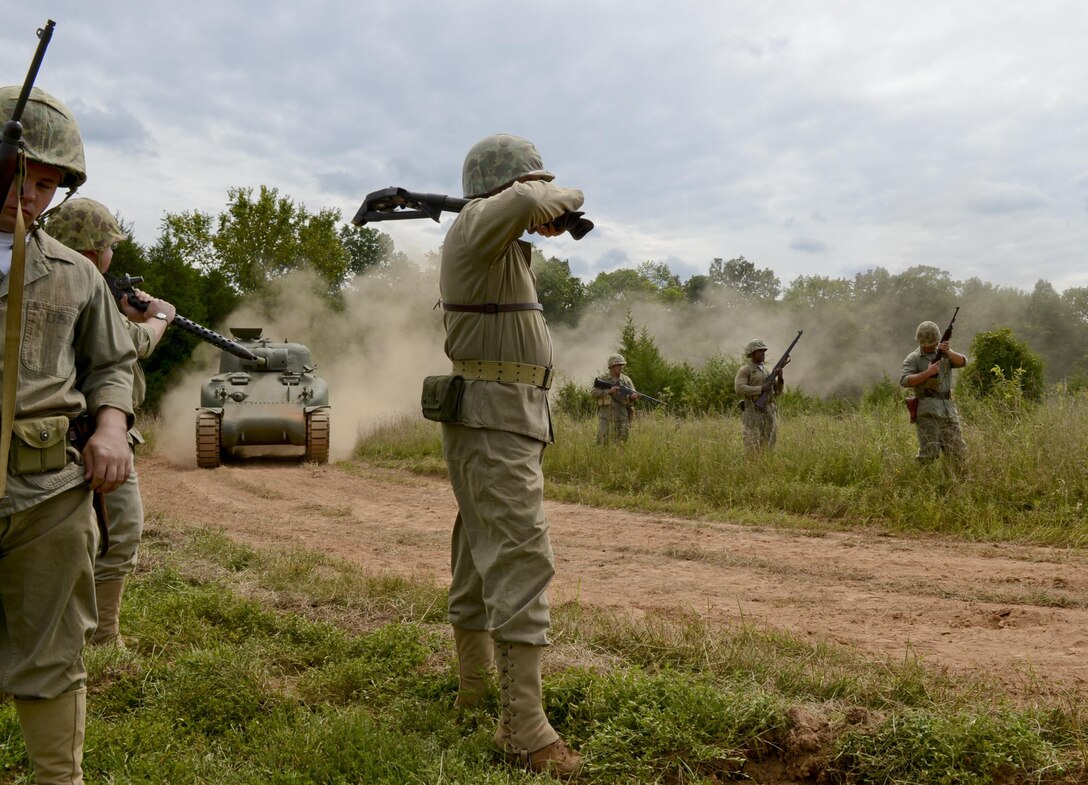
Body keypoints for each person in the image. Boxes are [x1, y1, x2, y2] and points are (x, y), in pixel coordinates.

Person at [0, 86, 136, 784]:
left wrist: (111, 423)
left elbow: (112, 361)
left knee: (53, 654)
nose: (32, 196)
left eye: (48, 183)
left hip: (48, 492)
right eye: (22, 174)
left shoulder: (77, 272)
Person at [438, 133, 582, 777]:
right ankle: (524, 729)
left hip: (505, 416)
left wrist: (539, 216)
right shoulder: (474, 224)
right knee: (522, 550)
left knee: (478, 548)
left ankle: (474, 689)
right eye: (534, 186)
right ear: (506, 187)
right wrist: (558, 198)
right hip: (495, 415)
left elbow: (523, 207)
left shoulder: (499, 245)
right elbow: (527, 199)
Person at [45, 198, 176, 647]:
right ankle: (102, 638)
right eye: (109, 246)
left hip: (62, 434)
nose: (111, 255)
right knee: (119, 534)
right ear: (95, 249)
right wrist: (160, 317)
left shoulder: (51, 279)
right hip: (93, 431)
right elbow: (132, 344)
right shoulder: (80, 285)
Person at [900, 320, 967, 464]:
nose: (930, 347)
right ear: (920, 342)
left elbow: (963, 362)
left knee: (958, 453)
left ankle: (958, 482)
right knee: (929, 454)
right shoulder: (914, 358)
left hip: (948, 410)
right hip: (927, 411)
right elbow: (904, 381)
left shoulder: (945, 354)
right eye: (926, 344)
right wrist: (927, 372)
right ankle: (923, 482)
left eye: (933, 344)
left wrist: (948, 352)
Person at [734, 338, 784, 450]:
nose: (763, 353)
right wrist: (760, 389)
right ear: (752, 353)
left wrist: (780, 378)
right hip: (753, 412)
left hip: (769, 411)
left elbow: (778, 392)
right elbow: (739, 388)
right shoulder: (745, 370)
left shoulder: (768, 369)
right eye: (760, 351)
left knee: (770, 444)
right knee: (752, 444)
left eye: (764, 351)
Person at [591, 353, 639, 445]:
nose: (621, 367)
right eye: (618, 365)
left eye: (622, 365)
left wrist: (633, 397)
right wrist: (609, 391)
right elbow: (593, 392)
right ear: (611, 366)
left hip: (622, 416)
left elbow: (633, 393)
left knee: (622, 443)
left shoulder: (626, 380)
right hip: (606, 416)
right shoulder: (603, 378)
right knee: (602, 442)